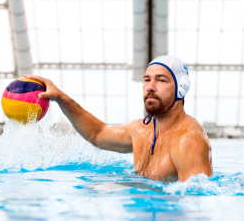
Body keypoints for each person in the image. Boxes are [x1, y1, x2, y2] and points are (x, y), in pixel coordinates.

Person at [25, 56, 212, 182]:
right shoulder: (141, 130)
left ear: (182, 88)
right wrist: (61, 98)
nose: (150, 87)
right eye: (147, 79)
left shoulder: (188, 142)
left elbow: (195, 208)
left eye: (161, 80)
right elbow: (97, 134)